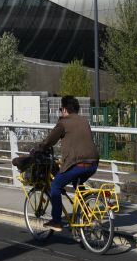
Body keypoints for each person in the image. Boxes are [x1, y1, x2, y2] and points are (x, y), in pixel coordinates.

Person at [38, 95, 99, 231]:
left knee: (55, 185)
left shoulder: (63, 123)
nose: (61, 112)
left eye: (61, 109)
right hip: (93, 163)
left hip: (77, 163)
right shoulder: (84, 121)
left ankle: (56, 221)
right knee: (78, 184)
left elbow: (49, 141)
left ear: (64, 109)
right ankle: (86, 214)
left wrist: (39, 149)